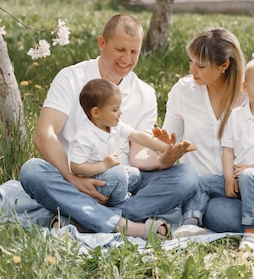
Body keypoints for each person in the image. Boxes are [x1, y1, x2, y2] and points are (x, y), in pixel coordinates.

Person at [20, 14, 199, 239]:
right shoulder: (71, 77)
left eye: (134, 52)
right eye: (120, 50)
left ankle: (83, 219)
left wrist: (165, 158)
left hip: (123, 183)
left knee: (187, 176)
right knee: (32, 171)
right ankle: (126, 225)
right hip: (72, 177)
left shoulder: (145, 93)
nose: (127, 59)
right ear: (102, 43)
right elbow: (44, 135)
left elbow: (138, 156)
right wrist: (74, 179)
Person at [156, 27, 254, 241]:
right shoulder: (183, 91)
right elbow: (168, 143)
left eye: (200, 65)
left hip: (253, 184)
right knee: (226, 219)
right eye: (191, 62)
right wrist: (168, 150)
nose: (192, 70)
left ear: (224, 65)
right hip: (213, 190)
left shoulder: (252, 91)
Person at [69, 78, 193, 206]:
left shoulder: (114, 125)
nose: (120, 113)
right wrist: (104, 165)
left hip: (110, 174)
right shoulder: (85, 137)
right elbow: (76, 167)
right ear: (96, 112)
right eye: (115, 110)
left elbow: (138, 136)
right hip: (94, 182)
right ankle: (120, 205)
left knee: (135, 174)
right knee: (120, 174)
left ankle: (119, 197)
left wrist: (167, 148)